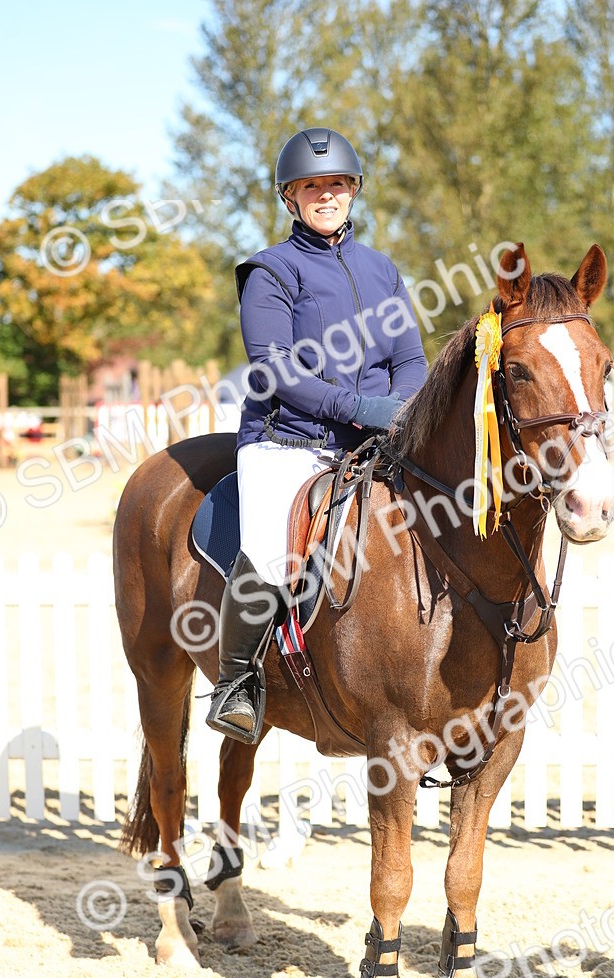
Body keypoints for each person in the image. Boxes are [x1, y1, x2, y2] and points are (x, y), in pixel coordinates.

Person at [207, 126, 427, 741]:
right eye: (311, 186)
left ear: (353, 191)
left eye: (336, 184)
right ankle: (236, 681)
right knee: (275, 554)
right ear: (290, 198)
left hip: (370, 442)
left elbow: (411, 358)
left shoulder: (383, 271)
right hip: (287, 442)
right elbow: (275, 367)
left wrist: (405, 408)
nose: (325, 195)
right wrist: (362, 407)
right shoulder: (268, 271)